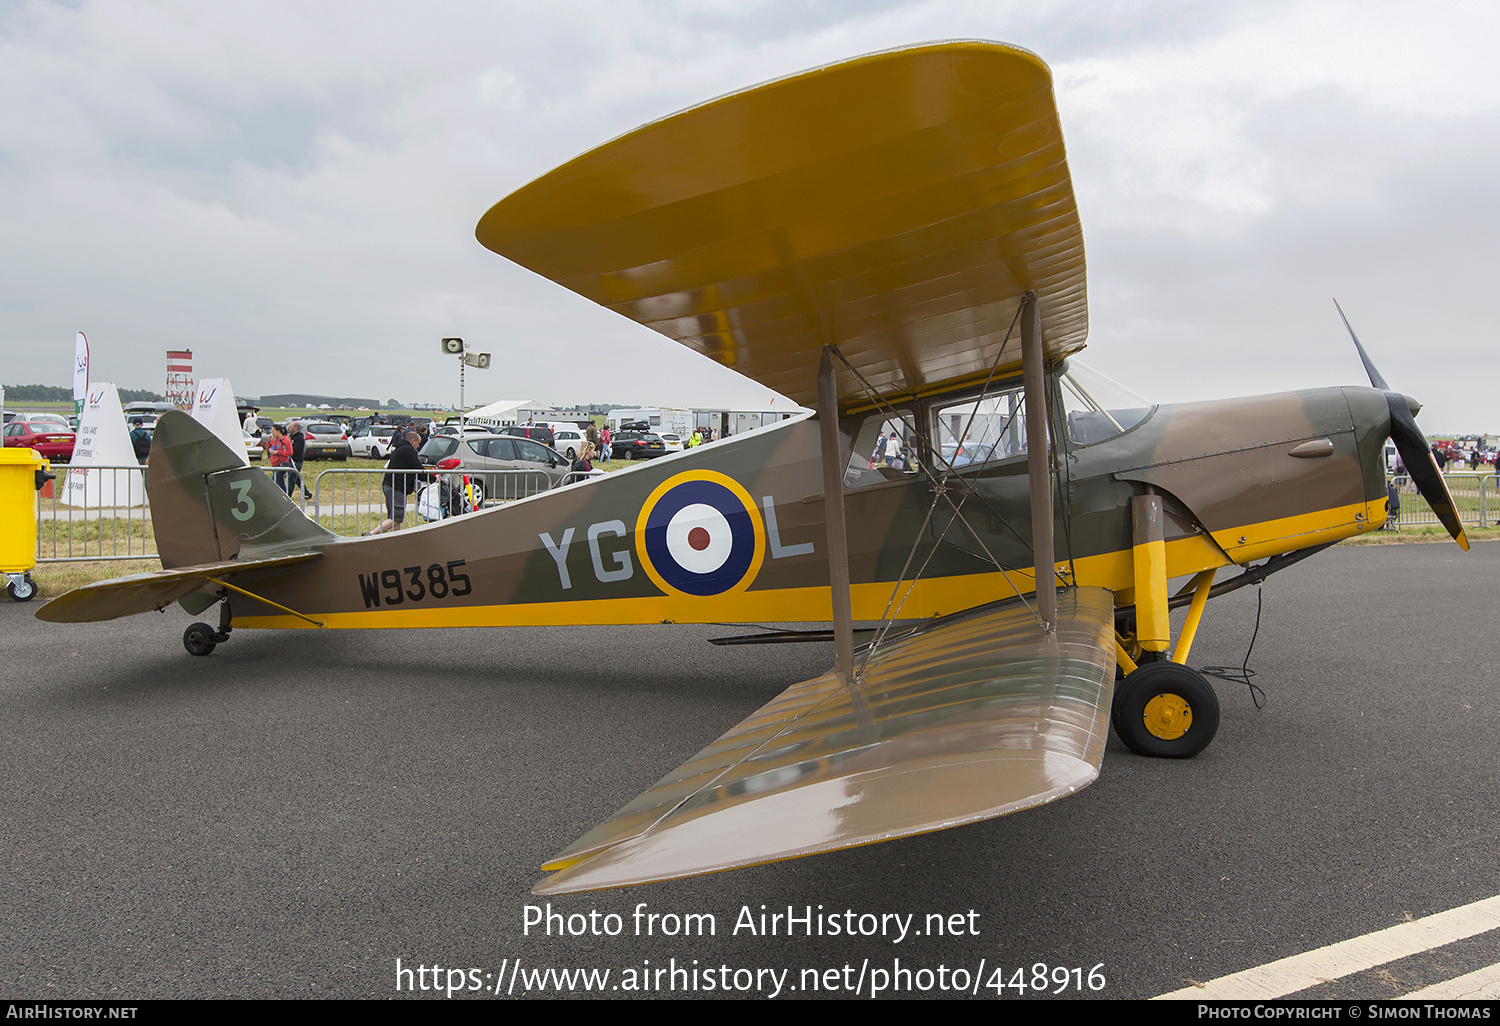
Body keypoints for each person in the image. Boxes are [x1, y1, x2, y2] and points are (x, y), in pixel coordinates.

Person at [368, 431, 426, 535]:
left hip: (389, 484)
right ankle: (372, 534)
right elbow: (418, 469)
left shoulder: (399, 448)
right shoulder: (408, 450)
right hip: (397, 487)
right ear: (413, 441)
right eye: (418, 443)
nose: (418, 446)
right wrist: (432, 478)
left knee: (393, 516)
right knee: (397, 517)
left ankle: (395, 537)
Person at [265, 424, 294, 494]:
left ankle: (284, 495)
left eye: (273, 431)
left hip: (282, 463)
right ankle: (284, 494)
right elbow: (269, 449)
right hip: (274, 463)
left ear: (278, 431)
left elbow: (290, 452)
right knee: (280, 482)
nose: (272, 433)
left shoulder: (285, 440)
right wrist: (268, 442)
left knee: (274, 480)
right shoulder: (274, 440)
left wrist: (278, 452)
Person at [287, 420, 311, 500]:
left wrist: (288, 451)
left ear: (296, 428)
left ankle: (288, 495)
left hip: (296, 461)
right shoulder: (291, 437)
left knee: (292, 478)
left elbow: (295, 450)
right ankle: (307, 493)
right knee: (297, 479)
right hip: (291, 461)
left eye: (290, 427)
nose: (289, 428)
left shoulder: (299, 438)